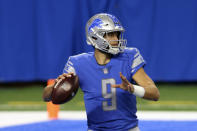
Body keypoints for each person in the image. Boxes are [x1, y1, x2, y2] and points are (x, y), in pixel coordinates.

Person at [43, 13, 160, 131]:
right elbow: (46, 96)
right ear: (94, 37)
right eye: (110, 34)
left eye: (117, 34)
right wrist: (58, 85)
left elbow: (155, 94)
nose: (116, 39)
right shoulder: (78, 63)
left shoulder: (129, 56)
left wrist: (132, 88)